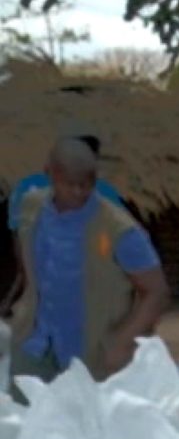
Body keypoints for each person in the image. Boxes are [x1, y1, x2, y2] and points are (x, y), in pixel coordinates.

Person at [8, 138, 165, 383]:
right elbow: (26, 263)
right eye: (70, 184)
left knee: (83, 420)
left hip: (90, 355)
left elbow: (156, 291)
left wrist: (124, 341)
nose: (79, 192)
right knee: (25, 418)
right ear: (50, 174)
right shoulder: (31, 208)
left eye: (87, 184)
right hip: (34, 344)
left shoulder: (119, 230)